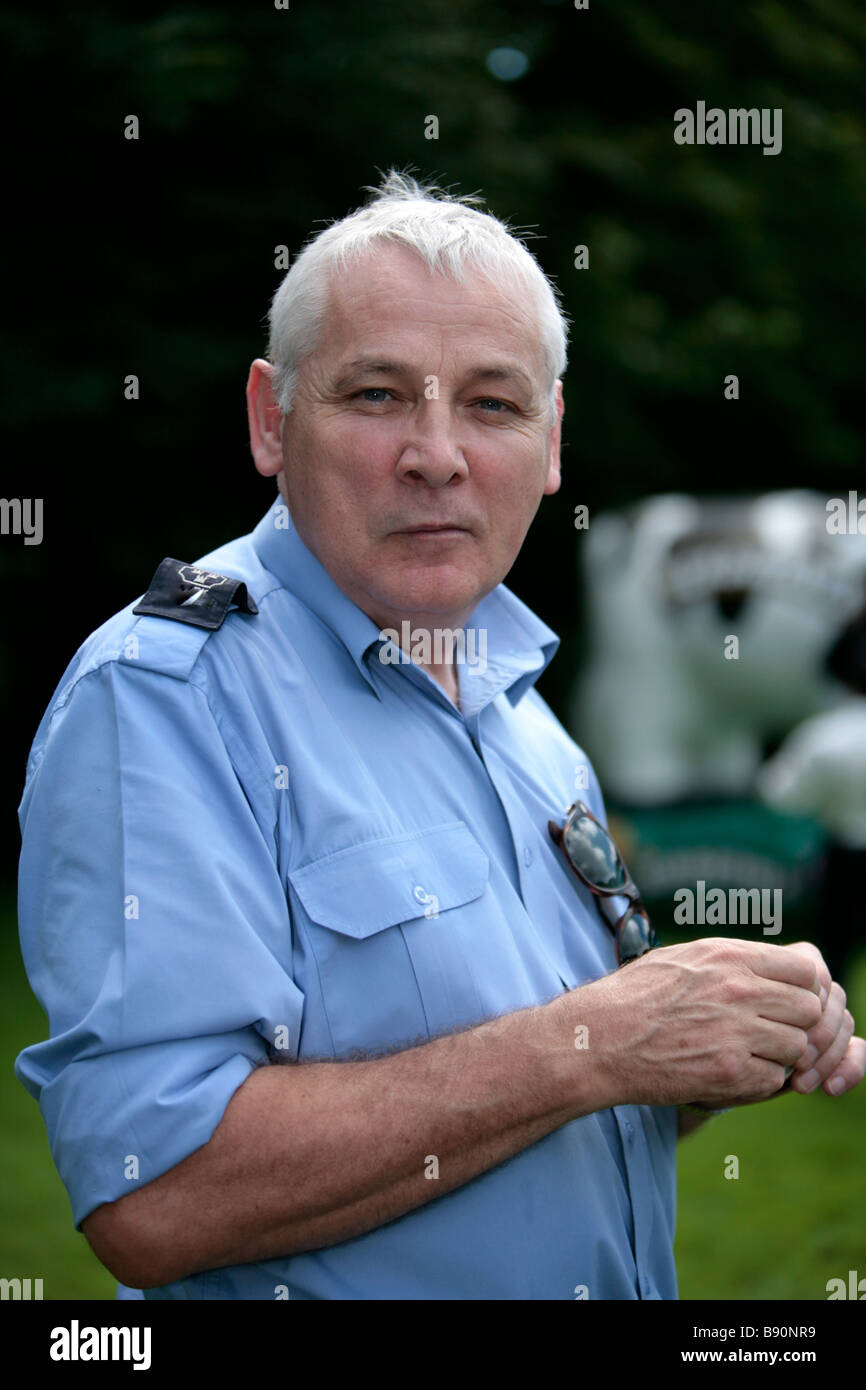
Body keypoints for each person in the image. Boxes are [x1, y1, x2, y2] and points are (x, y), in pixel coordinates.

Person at [15, 172, 864, 1301]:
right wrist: (598, 1042)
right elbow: (150, 1192)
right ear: (271, 420)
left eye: (491, 403)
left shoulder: (523, 709)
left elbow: (552, 1094)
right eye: (374, 394)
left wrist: (710, 1039)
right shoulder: (161, 698)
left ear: (551, 442)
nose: (436, 454)